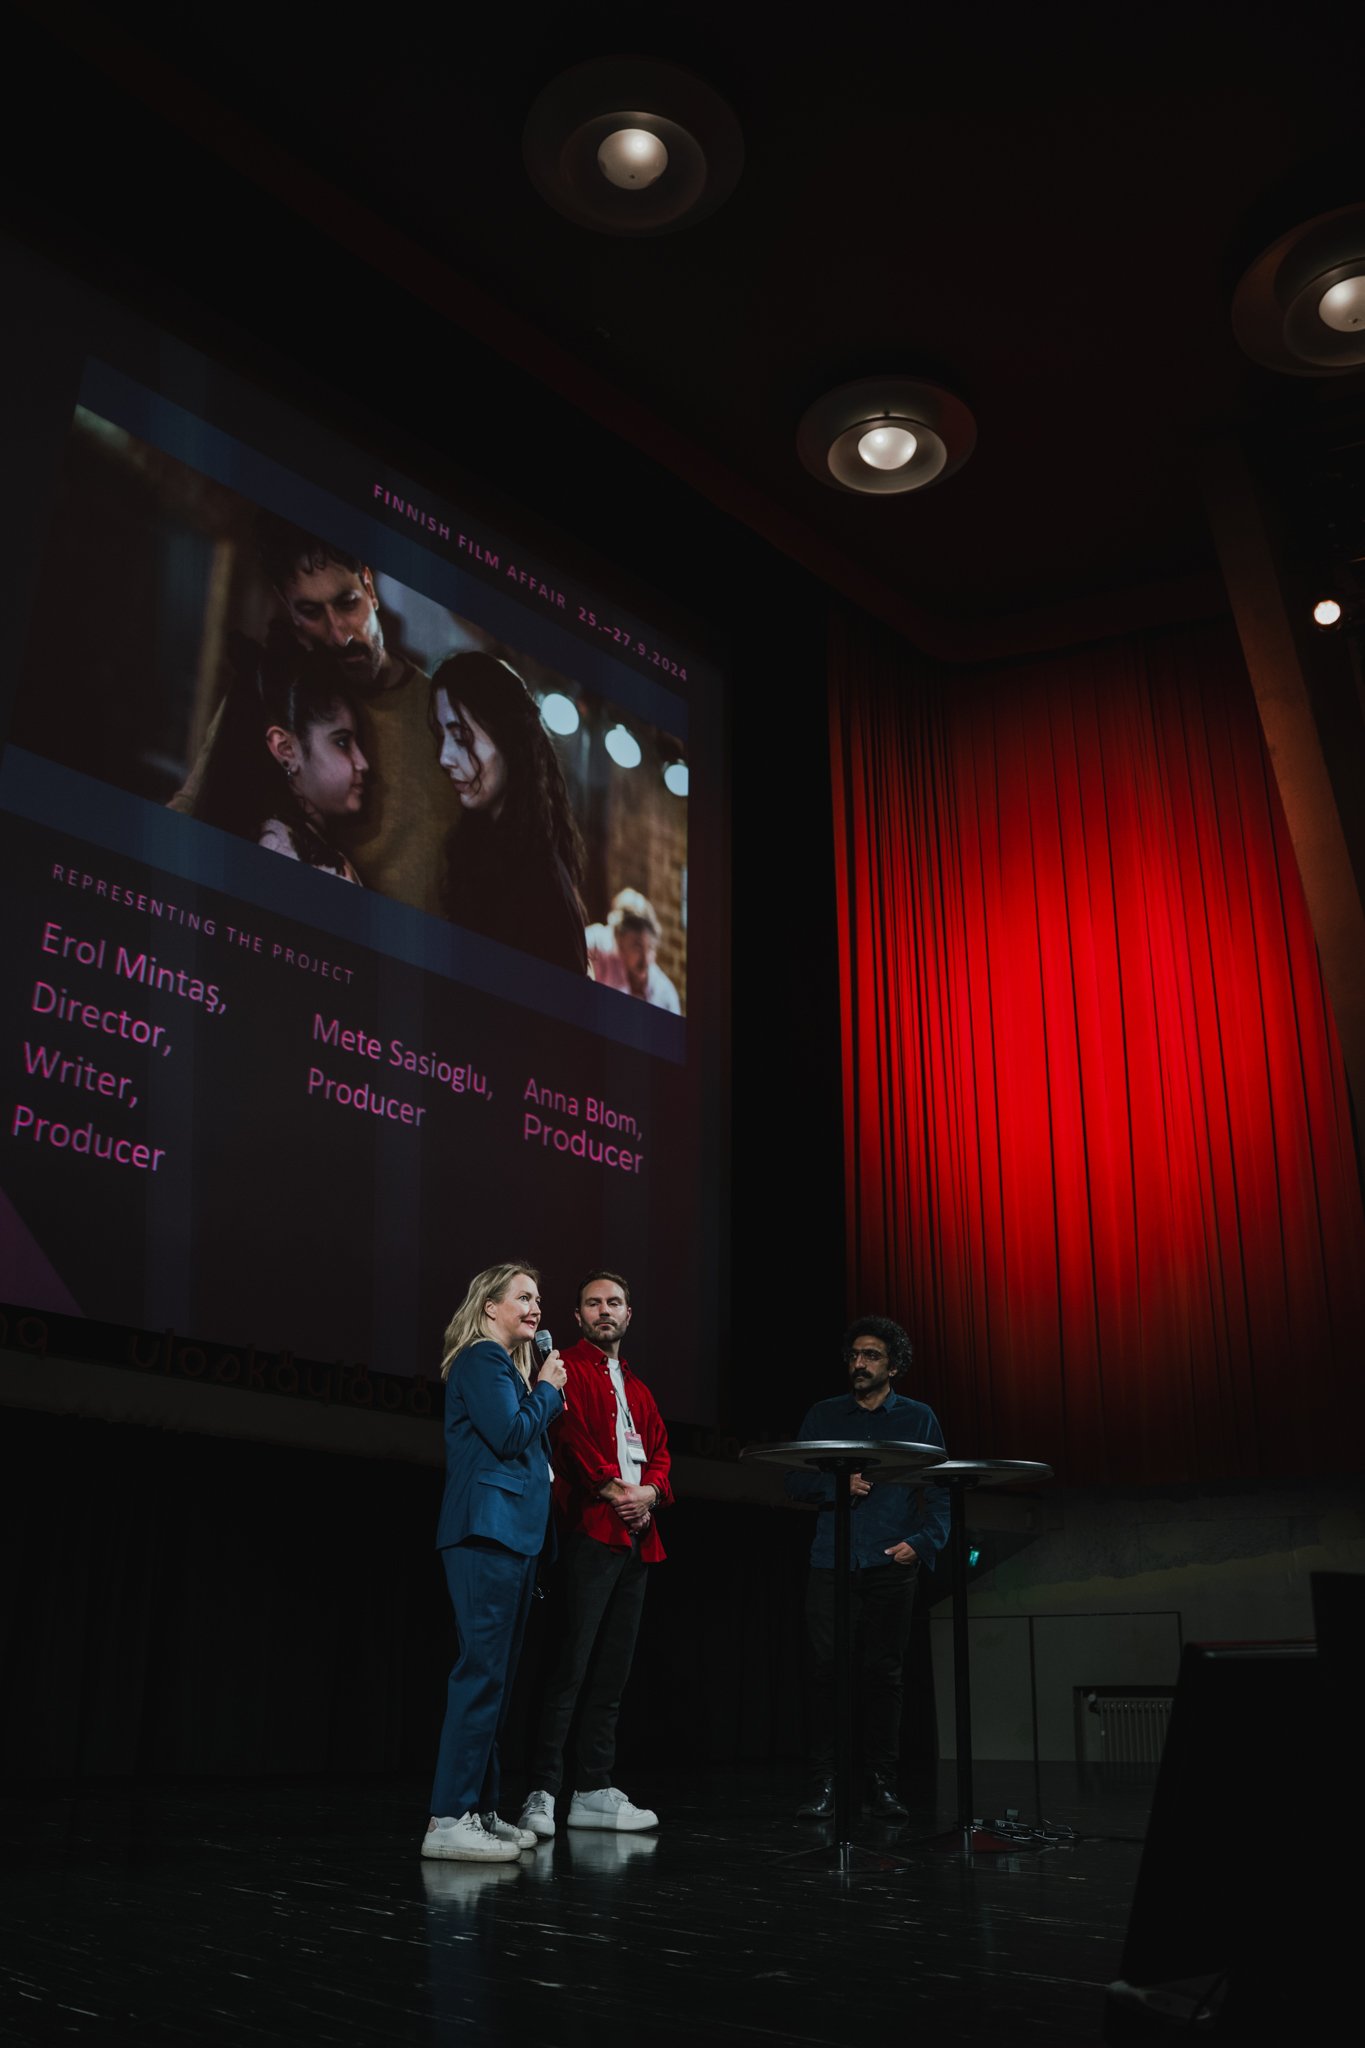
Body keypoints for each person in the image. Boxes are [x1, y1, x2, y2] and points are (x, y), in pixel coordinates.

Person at [176, 515, 458, 913]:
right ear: (288, 608)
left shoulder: (444, 713)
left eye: (347, 603)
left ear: (369, 587)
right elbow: (193, 807)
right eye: (311, 611)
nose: (339, 633)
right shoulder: (272, 697)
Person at [516, 1270, 671, 1838]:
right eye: (593, 1303)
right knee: (569, 1667)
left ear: (628, 1315)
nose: (605, 1311)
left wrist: (649, 1493)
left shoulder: (639, 1386)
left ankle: (594, 1788)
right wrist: (614, 1490)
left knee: (613, 1672)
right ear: (577, 1317)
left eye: (615, 1303)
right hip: (589, 1534)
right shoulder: (567, 1371)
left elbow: (659, 1452)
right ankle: (541, 1790)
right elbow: (569, 1436)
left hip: (637, 1537)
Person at [424, 1264, 568, 1863]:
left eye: (539, 1298)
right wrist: (549, 1391)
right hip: (486, 1532)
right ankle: (448, 1817)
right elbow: (510, 1436)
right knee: (480, 1674)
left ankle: (481, 1810)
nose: (536, 1308)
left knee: (497, 1680)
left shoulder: (508, 1369)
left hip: (512, 1537)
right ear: (489, 1307)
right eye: (524, 1297)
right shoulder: (483, 1360)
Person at [786, 1316, 949, 1821]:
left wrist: (921, 1545)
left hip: (889, 1560)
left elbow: (941, 1491)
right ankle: (826, 1784)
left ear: (894, 1366)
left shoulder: (918, 1418)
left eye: (872, 1356)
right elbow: (795, 1485)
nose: (859, 1364)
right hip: (830, 1562)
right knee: (825, 1673)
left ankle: (882, 1784)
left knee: (884, 1675)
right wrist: (837, 1486)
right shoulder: (824, 1414)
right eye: (855, 1355)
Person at [430, 652, 589, 975]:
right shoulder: (481, 848)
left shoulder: (540, 882)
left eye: (460, 737)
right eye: (442, 737)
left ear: (510, 740)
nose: (444, 757)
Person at [193, 632, 368, 880]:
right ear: (286, 749)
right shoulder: (313, 864)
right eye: (342, 742)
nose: (363, 762)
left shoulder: (258, 835)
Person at [585, 889, 681, 1013]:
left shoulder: (665, 995)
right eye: (637, 946)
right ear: (618, 940)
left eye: (650, 947)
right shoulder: (601, 947)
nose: (645, 960)